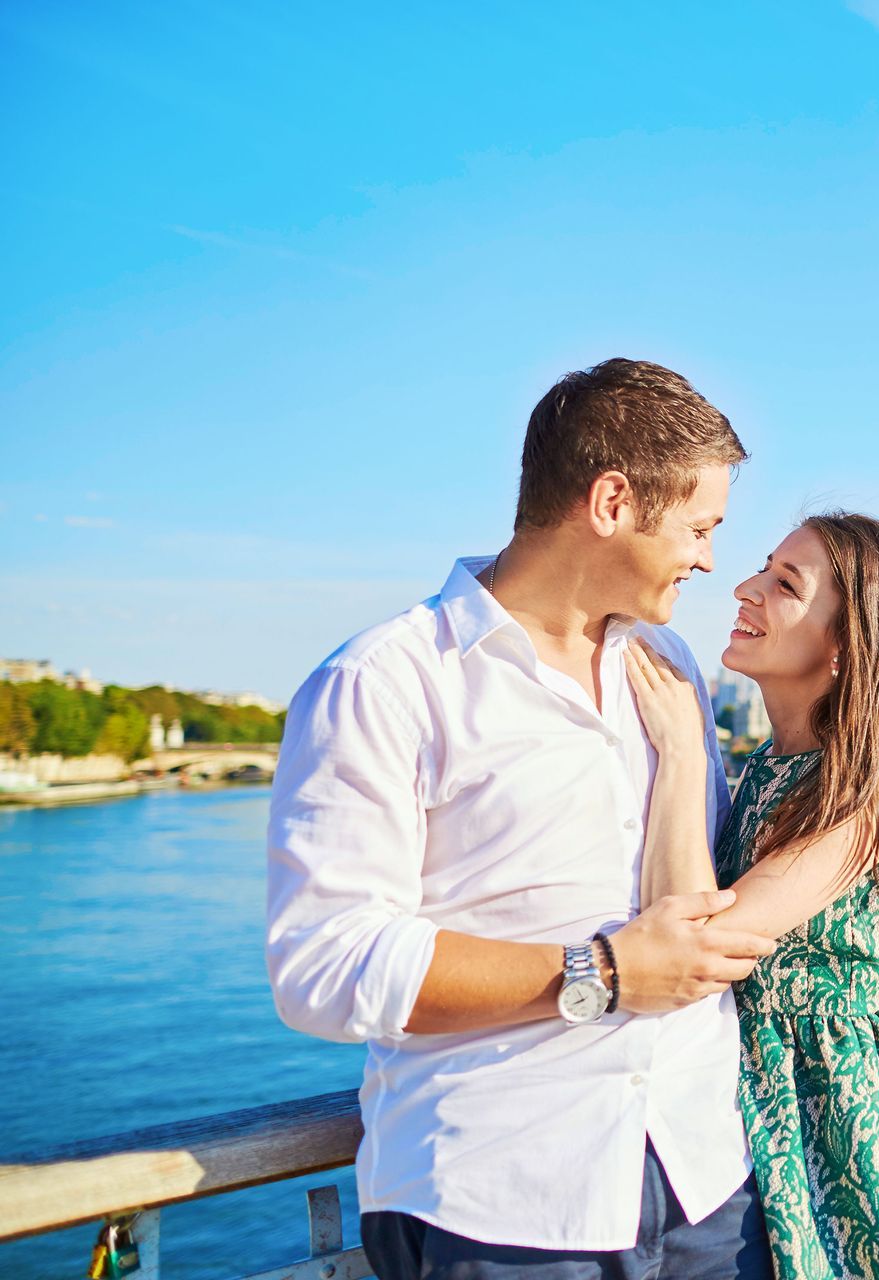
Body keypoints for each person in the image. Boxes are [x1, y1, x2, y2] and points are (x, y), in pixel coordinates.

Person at [266, 358, 782, 1279]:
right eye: (700, 527)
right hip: (503, 1205)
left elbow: (691, 901)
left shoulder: (666, 669)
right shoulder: (383, 683)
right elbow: (325, 965)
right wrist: (605, 972)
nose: (708, 558)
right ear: (613, 501)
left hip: (707, 1180)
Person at [623, 511, 879, 1280]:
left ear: (845, 646)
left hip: (841, 1123)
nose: (744, 588)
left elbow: (702, 942)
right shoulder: (778, 764)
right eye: (763, 568)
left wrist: (677, 751)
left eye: (784, 584)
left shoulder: (872, 794)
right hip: (765, 1105)